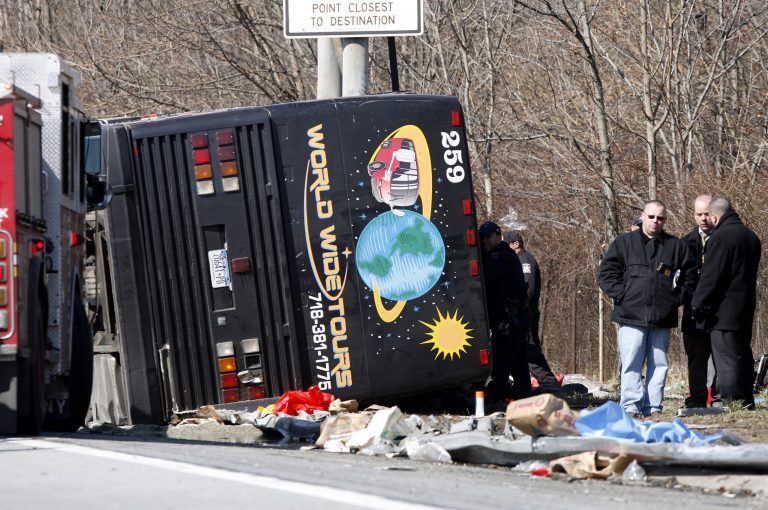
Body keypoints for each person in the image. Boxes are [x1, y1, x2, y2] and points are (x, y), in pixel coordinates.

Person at [598, 200, 695, 417]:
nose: (655, 221)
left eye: (660, 218)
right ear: (643, 216)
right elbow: (606, 274)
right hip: (630, 315)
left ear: (665, 220)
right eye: (651, 217)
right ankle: (631, 405)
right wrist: (623, 294)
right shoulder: (624, 243)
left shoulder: (676, 246)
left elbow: (690, 277)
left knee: (659, 364)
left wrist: (675, 298)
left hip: (662, 316)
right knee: (631, 362)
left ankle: (653, 406)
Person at [691, 198, 761, 409]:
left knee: (726, 359)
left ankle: (730, 402)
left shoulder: (720, 238)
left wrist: (698, 303)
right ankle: (746, 400)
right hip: (745, 307)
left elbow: (711, 276)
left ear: (714, 217)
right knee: (742, 355)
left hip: (723, 311)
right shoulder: (751, 237)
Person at [478, 221, 532, 405]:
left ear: (498, 236)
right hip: (511, 319)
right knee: (518, 363)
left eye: (488, 237)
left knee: (501, 360)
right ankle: (523, 397)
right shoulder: (495, 254)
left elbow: (484, 276)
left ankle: (496, 399)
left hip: (511, 320)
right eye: (482, 237)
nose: (484, 240)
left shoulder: (502, 256)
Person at [505, 230, 560, 389]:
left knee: (529, 352)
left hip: (524, 315)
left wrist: (515, 309)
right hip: (520, 315)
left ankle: (551, 386)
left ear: (516, 244)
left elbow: (527, 291)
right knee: (522, 352)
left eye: (507, 245)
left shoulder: (525, 262)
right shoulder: (517, 261)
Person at [680, 195, 716, 410]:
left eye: (706, 214)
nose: (703, 219)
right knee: (696, 358)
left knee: (720, 358)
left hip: (719, 310)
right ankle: (696, 397)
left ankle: (719, 396)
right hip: (693, 311)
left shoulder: (724, 239)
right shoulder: (685, 243)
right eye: (698, 214)